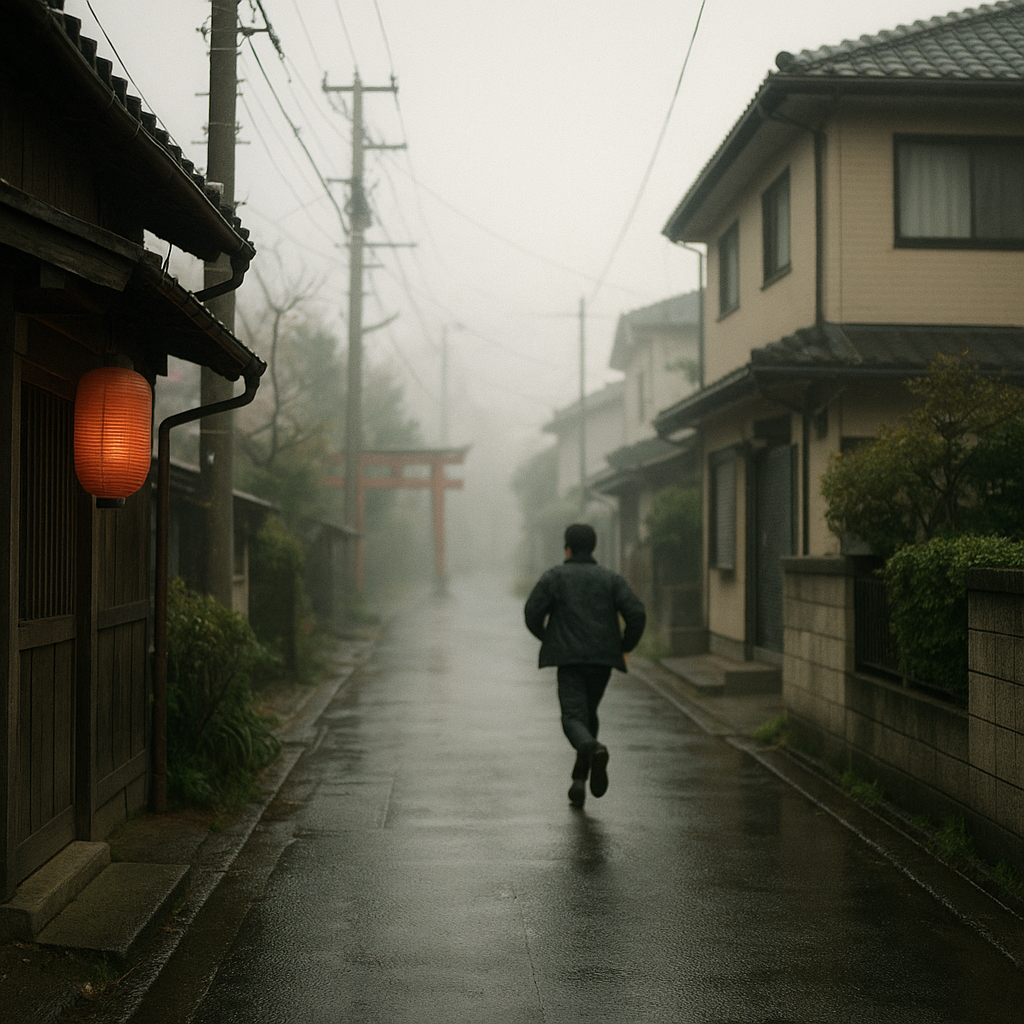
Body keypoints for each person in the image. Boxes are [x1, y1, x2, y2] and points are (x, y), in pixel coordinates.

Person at [524, 523, 646, 808]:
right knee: (587, 715)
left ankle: (593, 750)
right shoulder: (611, 579)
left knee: (573, 718)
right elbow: (637, 614)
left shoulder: (555, 577)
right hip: (603, 660)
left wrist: (549, 637)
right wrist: (624, 646)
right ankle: (579, 780)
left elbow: (532, 613)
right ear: (593, 548)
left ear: (567, 547)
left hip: (569, 659)